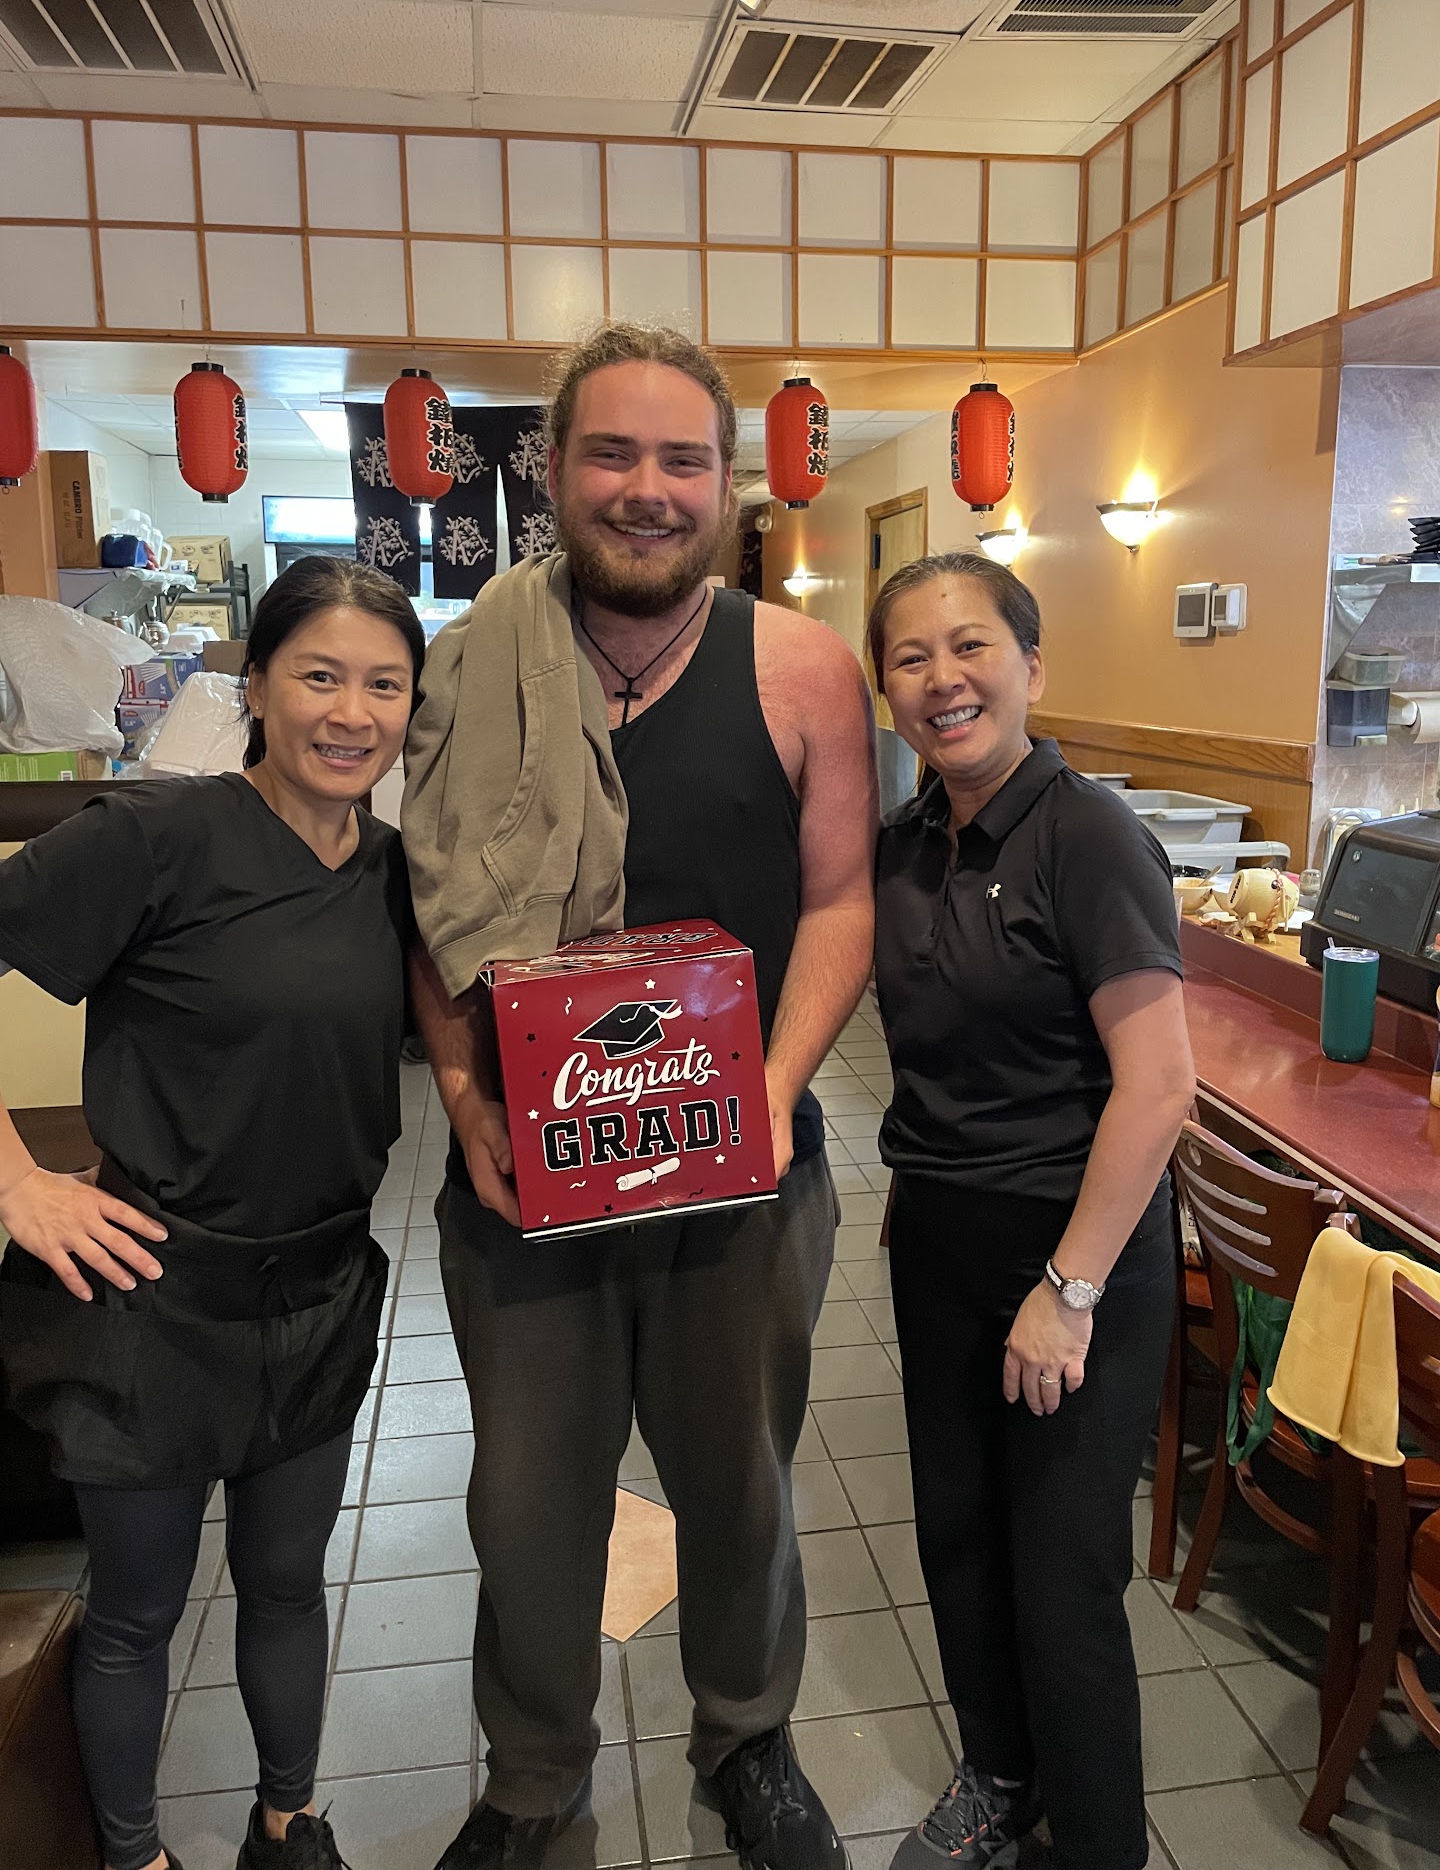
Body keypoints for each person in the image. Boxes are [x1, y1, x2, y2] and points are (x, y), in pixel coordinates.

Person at [404, 323, 877, 1870]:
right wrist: (466, 1099)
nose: (647, 488)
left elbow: (842, 901)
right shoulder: (472, 663)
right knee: (527, 1503)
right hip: (523, 1180)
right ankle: (534, 1776)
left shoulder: (801, 668)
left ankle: (747, 1739)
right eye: (612, 452)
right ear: (553, 470)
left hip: (743, 1182)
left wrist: (772, 1093)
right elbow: (430, 907)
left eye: (684, 459)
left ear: (726, 484)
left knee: (740, 1488)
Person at [0, 557, 425, 1870]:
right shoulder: (156, 835)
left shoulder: (395, 871)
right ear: (255, 686)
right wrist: (15, 1182)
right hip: (152, 1300)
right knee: (137, 1615)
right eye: (318, 676)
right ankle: (134, 1856)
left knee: (287, 1585)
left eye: (384, 685)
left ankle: (287, 1822)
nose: (350, 713)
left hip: (318, 1291)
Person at [867, 552, 1195, 1870]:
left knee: (1064, 1576)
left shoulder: (1089, 835)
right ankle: (1000, 1775)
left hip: (1076, 1258)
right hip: (939, 1243)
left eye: (971, 648)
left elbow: (1159, 1086)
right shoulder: (903, 846)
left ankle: (1100, 1843)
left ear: (1032, 667)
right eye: (909, 657)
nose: (942, 679)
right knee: (957, 1534)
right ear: (886, 690)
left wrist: (1066, 1294)